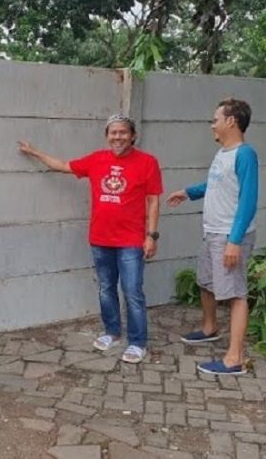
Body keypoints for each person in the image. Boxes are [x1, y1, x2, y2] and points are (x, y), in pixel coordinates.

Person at [18, 113, 163, 364]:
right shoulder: (96, 159)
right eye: (113, 132)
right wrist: (34, 153)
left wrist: (151, 235)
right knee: (106, 289)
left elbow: (153, 200)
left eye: (122, 132)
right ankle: (112, 332)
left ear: (133, 136)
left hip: (131, 240)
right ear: (107, 136)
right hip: (100, 238)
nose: (117, 137)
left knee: (132, 291)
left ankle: (138, 342)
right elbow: (63, 166)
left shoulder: (147, 162)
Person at [166, 98, 258, 375]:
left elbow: (248, 200)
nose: (212, 125)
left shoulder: (245, 154)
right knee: (206, 282)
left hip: (229, 235)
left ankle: (235, 358)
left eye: (215, 119)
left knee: (235, 293)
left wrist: (234, 241)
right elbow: (217, 183)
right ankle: (209, 328)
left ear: (231, 121)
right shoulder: (223, 154)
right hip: (212, 232)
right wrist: (189, 192)